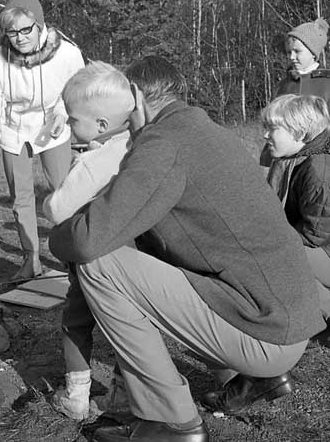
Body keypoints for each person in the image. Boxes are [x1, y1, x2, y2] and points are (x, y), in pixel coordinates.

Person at [49, 56, 326, 442]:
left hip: (268, 331)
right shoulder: (198, 129)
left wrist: (57, 236)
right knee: (141, 258)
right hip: (283, 316)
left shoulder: (164, 145)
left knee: (99, 264)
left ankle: (170, 421)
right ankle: (244, 378)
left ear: (135, 96)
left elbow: (87, 240)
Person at [41, 61, 134, 420]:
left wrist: (48, 201)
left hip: (91, 258)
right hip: (132, 258)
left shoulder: (93, 162)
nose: (68, 124)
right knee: (128, 328)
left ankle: (76, 396)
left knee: (76, 321)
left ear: (100, 124)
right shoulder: (137, 146)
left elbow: (59, 209)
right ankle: (124, 395)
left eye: (73, 118)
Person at [0, 0, 85, 281]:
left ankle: (74, 257)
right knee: (21, 198)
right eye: (13, 32)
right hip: (15, 131)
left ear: (39, 25)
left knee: (64, 193)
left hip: (53, 127)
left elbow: (76, 91)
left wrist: (62, 114)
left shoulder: (67, 54)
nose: (20, 38)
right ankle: (31, 259)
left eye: (26, 30)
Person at [262, 94, 330, 320]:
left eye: (273, 129)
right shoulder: (295, 160)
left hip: (323, 249)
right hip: (319, 245)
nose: (265, 135)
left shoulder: (319, 170)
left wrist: (274, 239)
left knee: (273, 256)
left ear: (299, 133)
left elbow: (315, 235)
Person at [261, 17, 329, 166]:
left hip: (317, 161)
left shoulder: (326, 85)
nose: (292, 57)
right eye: (289, 52)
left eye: (297, 51)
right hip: (282, 162)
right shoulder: (284, 85)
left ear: (313, 52)